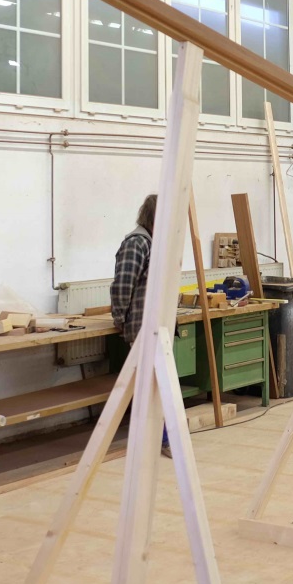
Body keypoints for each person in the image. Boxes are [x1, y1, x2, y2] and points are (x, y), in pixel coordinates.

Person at [110, 194, 172, 456]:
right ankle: (160, 441)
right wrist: (120, 318)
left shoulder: (155, 243)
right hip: (143, 328)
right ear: (154, 218)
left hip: (159, 327)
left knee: (159, 384)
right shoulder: (137, 243)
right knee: (151, 386)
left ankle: (161, 439)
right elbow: (123, 286)